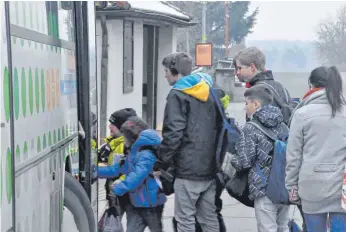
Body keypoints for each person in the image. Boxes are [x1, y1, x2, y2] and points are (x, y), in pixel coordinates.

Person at [158, 52, 222, 232]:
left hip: (187, 170)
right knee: (209, 218)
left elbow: (173, 134)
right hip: (210, 168)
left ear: (174, 70)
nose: (164, 75)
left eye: (166, 71)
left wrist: (162, 161)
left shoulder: (178, 95)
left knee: (185, 220)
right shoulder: (210, 91)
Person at [285, 66, 346, 232]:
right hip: (341, 189)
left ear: (311, 86)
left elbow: (293, 156)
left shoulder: (301, 114)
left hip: (311, 187)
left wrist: (292, 187)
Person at [231, 85, 290, 232]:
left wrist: (232, 160)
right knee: (282, 227)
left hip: (263, 189)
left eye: (246, 103)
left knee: (267, 228)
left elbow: (244, 162)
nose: (245, 107)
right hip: (283, 186)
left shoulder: (251, 128)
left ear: (256, 104)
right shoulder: (283, 125)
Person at [98, 116, 166, 232]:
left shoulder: (145, 154)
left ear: (132, 136)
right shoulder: (134, 151)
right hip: (136, 203)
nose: (123, 140)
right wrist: (96, 171)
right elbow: (118, 169)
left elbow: (137, 177)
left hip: (151, 204)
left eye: (125, 136)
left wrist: (119, 187)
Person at [233, 47, 297, 123]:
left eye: (239, 68)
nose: (236, 72)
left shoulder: (256, 91)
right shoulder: (280, 86)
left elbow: (256, 127)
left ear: (252, 67)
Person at [98, 108, 137, 218]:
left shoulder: (129, 146)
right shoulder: (111, 142)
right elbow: (97, 157)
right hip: (114, 193)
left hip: (125, 193)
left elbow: (128, 170)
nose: (109, 126)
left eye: (113, 124)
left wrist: (120, 181)